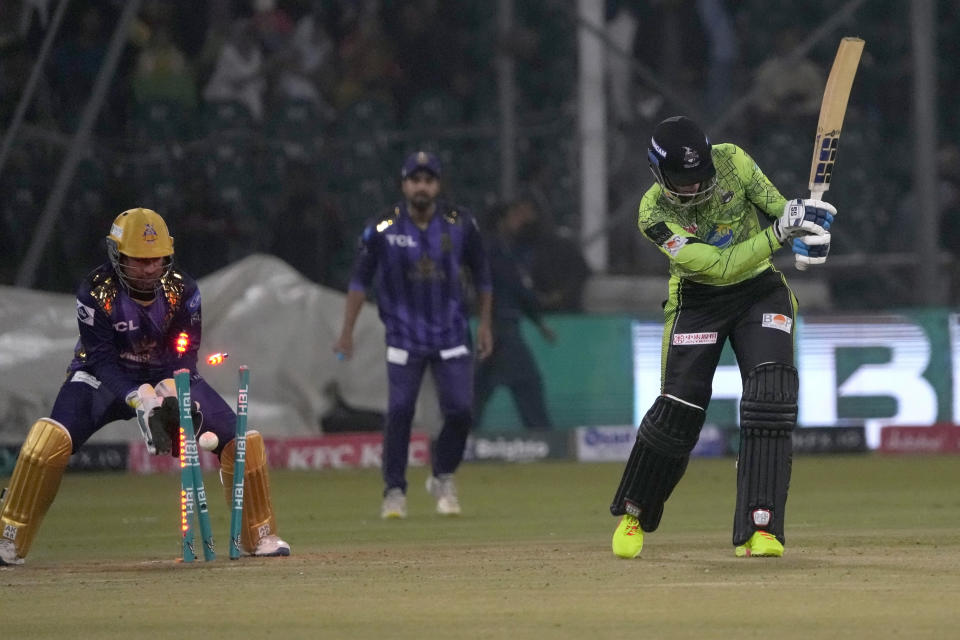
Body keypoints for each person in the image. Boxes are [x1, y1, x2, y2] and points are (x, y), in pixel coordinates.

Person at [0, 208, 290, 566]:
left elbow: (185, 354)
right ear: (117, 255)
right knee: (48, 442)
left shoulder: (183, 289)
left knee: (241, 441)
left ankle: (259, 534)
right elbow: (102, 359)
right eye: (139, 260)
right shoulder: (95, 291)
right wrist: (140, 398)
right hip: (101, 377)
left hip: (169, 375)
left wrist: (167, 391)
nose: (151, 268)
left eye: (157, 259)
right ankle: (9, 537)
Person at [609, 116, 834, 559]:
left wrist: (808, 232)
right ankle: (635, 513)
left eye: (700, 175)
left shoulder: (732, 161)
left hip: (759, 292)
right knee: (679, 411)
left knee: (771, 396)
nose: (694, 187)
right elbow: (716, 267)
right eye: (682, 179)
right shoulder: (652, 213)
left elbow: (776, 209)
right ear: (658, 173)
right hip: (698, 301)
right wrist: (778, 233)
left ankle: (760, 526)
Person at [333, 151, 493, 519]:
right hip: (404, 336)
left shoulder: (461, 224)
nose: (422, 186)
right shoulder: (383, 228)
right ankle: (394, 490)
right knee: (400, 412)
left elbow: (483, 276)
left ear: (438, 185)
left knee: (461, 411)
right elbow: (359, 282)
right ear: (404, 184)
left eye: (429, 179)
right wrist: (346, 333)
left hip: (452, 334)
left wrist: (484, 324)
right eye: (415, 179)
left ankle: (443, 475)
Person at [474, 201, 555, 430]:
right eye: (517, 216)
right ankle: (544, 438)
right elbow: (507, 289)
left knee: (481, 387)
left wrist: (539, 323)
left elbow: (517, 291)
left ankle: (461, 436)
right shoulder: (494, 250)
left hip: (500, 326)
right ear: (503, 220)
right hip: (502, 328)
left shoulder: (509, 250)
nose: (522, 222)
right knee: (527, 383)